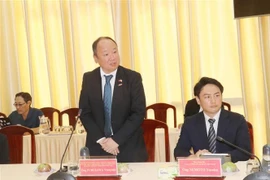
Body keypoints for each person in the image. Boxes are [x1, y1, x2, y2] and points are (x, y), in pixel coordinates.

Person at [79, 36, 148, 162]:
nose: (112, 57)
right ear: (95, 58)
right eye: (106, 54)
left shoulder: (132, 78)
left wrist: (116, 140)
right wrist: (102, 141)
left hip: (128, 147)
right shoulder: (89, 79)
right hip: (98, 147)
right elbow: (85, 112)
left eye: (115, 51)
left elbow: (138, 113)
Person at [174, 77, 251, 162]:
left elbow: (245, 152)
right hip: (202, 170)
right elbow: (179, 151)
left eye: (217, 95)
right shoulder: (190, 122)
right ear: (198, 100)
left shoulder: (237, 120)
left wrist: (216, 159)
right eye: (207, 97)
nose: (213, 101)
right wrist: (194, 157)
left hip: (230, 169)